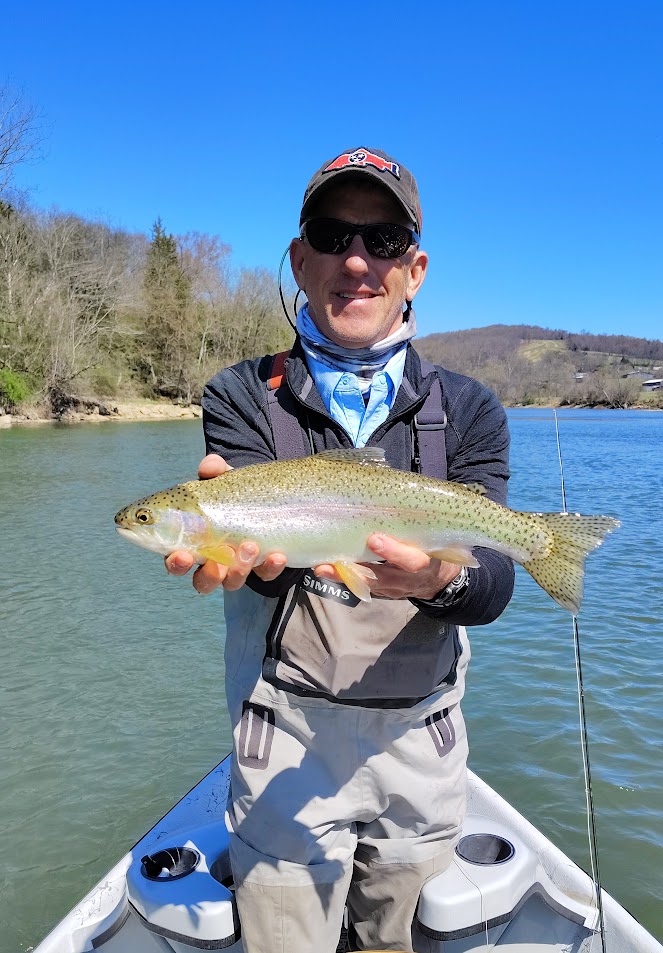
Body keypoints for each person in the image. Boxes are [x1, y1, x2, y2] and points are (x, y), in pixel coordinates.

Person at [166, 147, 515, 953]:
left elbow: (492, 583)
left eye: (383, 241)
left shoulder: (469, 410)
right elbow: (259, 576)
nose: (355, 261)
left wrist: (433, 578)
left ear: (414, 268)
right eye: (330, 234)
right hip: (284, 733)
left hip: (421, 744)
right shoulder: (241, 394)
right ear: (298, 257)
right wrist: (240, 555)